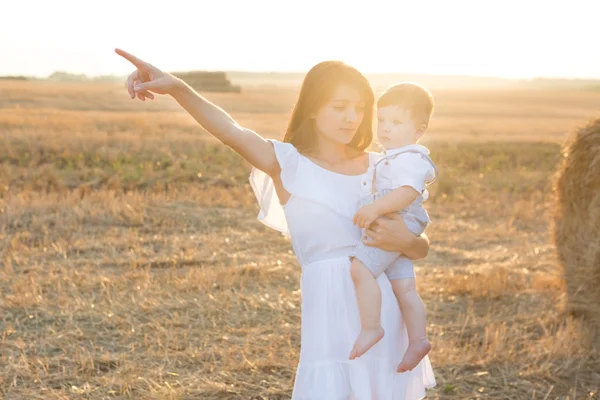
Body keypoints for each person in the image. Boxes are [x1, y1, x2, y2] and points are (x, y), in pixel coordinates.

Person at [115, 48, 436, 399]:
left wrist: (404, 240)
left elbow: (419, 247)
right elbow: (231, 132)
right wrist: (177, 87)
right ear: (313, 108)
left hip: (383, 311)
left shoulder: (382, 168)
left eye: (360, 108)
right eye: (340, 106)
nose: (352, 118)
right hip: (327, 309)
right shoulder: (288, 164)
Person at [348, 83, 437, 375]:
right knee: (406, 288)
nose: (385, 127)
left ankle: (372, 327)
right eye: (382, 119)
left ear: (419, 130)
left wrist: (375, 208)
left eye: (396, 122)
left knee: (360, 268)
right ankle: (418, 340)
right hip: (402, 218)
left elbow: (408, 192)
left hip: (398, 217)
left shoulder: (410, 157)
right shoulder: (395, 155)